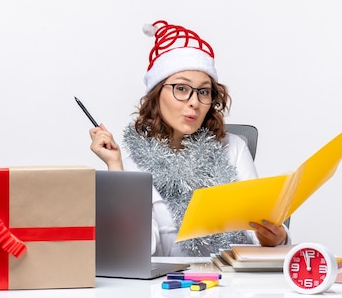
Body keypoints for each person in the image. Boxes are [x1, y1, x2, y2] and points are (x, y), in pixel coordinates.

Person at [89, 20, 290, 257]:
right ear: (156, 94)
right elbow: (138, 248)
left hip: (230, 284)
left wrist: (277, 237)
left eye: (203, 91)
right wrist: (114, 166)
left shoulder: (233, 147)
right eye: (182, 89)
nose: (194, 101)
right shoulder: (131, 163)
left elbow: (255, 228)